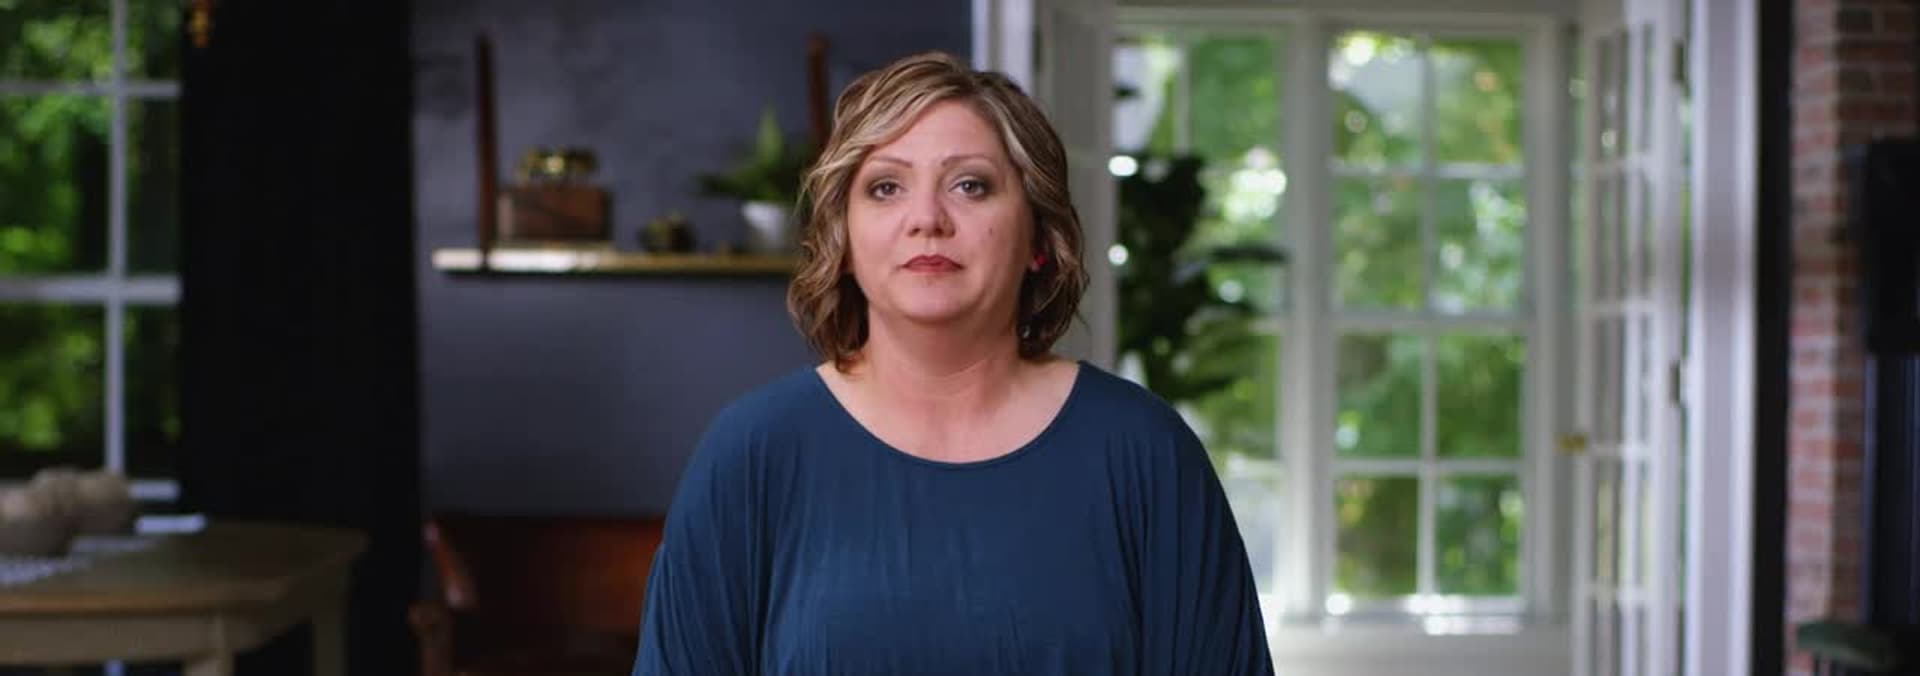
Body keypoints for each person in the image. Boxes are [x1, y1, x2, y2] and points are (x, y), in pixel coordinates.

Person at [632, 51, 1272, 675]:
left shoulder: (1145, 452)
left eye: (970, 185)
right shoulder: (752, 454)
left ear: (1038, 238)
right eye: (886, 188)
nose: (927, 219)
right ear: (844, 240)